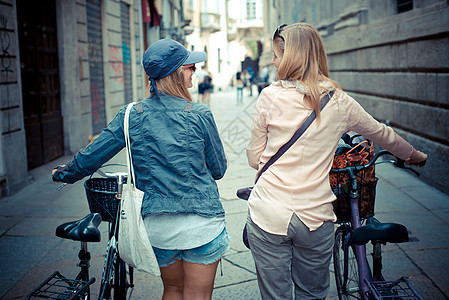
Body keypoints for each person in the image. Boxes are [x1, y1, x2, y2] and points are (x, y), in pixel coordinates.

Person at [245, 23, 428, 300]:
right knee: (312, 293)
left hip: (268, 211)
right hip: (315, 216)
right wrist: (414, 155)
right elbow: (382, 134)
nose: (272, 61)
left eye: (276, 55)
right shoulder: (340, 101)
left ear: (293, 56)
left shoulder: (269, 97)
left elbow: (253, 158)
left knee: (275, 295)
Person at [52, 38, 229, 300]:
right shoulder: (199, 113)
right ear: (178, 72)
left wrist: (64, 173)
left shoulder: (131, 114)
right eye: (190, 66)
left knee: (172, 289)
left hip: (158, 227)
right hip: (201, 224)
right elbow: (218, 169)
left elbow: (93, 156)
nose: (194, 71)